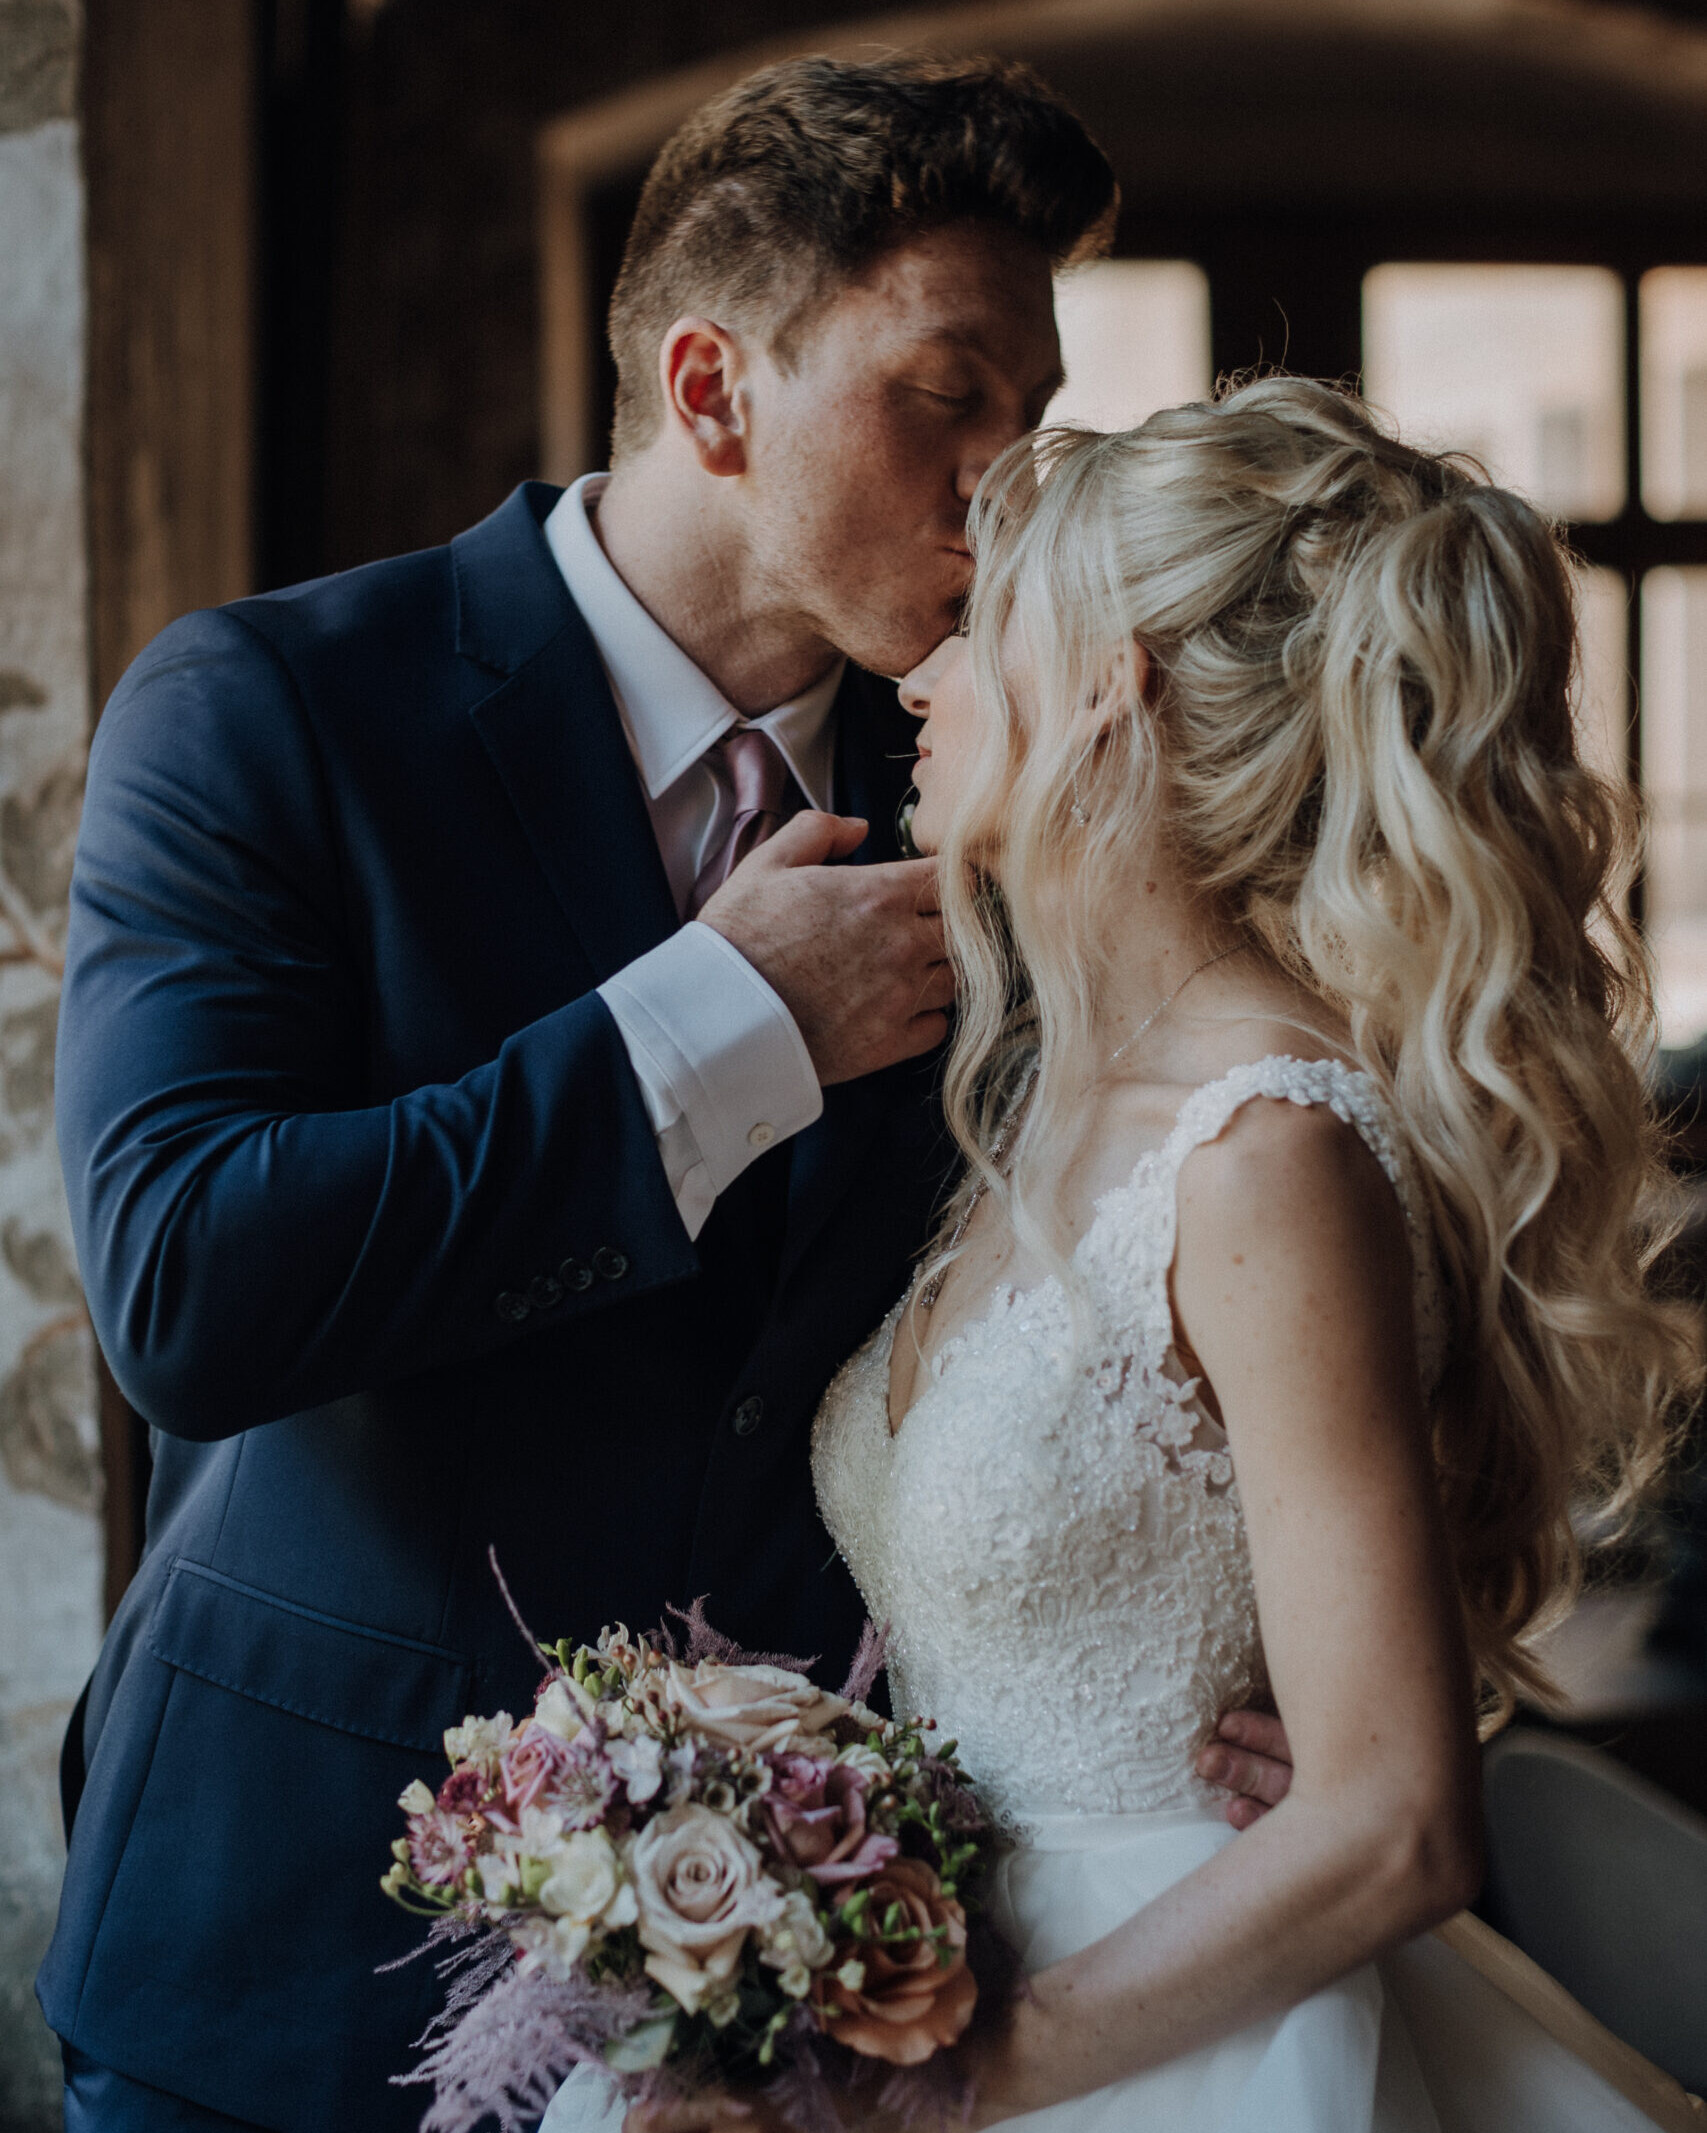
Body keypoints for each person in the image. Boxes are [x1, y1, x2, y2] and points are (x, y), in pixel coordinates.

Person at [38, 53, 1243, 2133]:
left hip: (818, 1982)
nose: (1004, 483)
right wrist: (710, 1028)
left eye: (1030, 420)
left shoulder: (1002, 780)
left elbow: (1170, 1242)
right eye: (945, 394)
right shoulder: (272, 710)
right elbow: (189, 1289)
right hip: (292, 1920)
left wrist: (1259, 1664)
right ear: (711, 391)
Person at [609, 382, 1698, 2132]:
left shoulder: (1265, 1153)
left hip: (1138, 2044)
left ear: (1109, 688)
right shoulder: (1051, 1098)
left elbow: (1400, 1812)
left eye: (982, 631)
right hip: (971, 1966)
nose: (921, 676)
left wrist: (979, 2071)